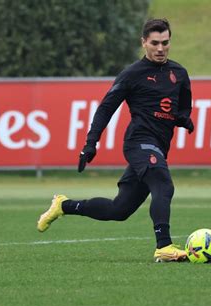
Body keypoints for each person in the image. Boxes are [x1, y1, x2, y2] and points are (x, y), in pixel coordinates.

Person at [37, 18, 194, 262]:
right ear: (144, 42)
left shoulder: (179, 73)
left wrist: (184, 119)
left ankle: (63, 205)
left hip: (159, 146)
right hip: (138, 141)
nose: (160, 48)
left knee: (119, 210)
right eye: (155, 43)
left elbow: (183, 106)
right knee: (163, 184)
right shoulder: (132, 74)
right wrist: (91, 142)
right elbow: (106, 108)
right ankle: (164, 246)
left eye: (165, 42)